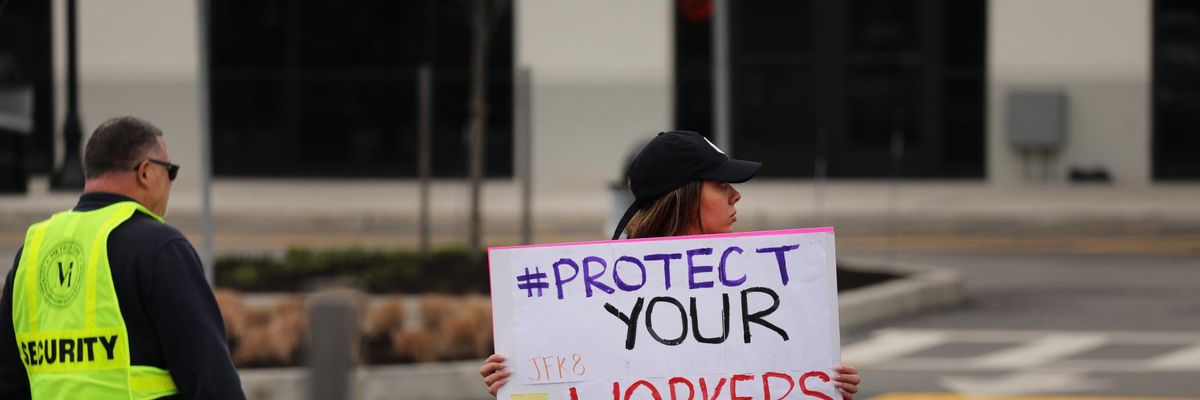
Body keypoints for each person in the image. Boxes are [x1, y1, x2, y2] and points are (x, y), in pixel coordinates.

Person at [480, 131, 861, 398]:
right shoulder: (598, 294)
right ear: (687, 195)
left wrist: (827, 388)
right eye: (722, 184)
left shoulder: (766, 283)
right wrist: (519, 380)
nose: (736, 196)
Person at [0, 116, 245, 399]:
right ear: (145, 172)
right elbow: (210, 379)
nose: (171, 184)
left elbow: (8, 380)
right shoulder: (161, 248)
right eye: (170, 172)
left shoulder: (33, 250)